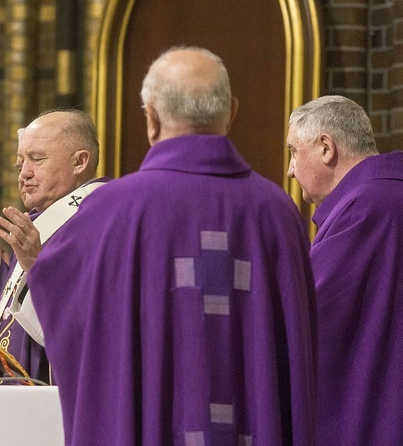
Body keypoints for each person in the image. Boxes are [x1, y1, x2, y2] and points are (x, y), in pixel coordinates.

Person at [27, 46, 317, 445]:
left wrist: (37, 265)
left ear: (151, 117)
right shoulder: (277, 213)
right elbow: (294, 362)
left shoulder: (108, 212)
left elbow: (72, 332)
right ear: (231, 112)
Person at [0, 109, 104, 382]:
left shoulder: (100, 220)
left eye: (37, 159)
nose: (24, 174)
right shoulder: (37, 223)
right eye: (20, 164)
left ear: (80, 162)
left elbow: (91, 326)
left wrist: (41, 269)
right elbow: (5, 326)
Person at [286, 95, 403, 445]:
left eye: (294, 151)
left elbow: (310, 314)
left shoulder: (366, 208)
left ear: (326, 147)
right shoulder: (385, 196)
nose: (291, 169)